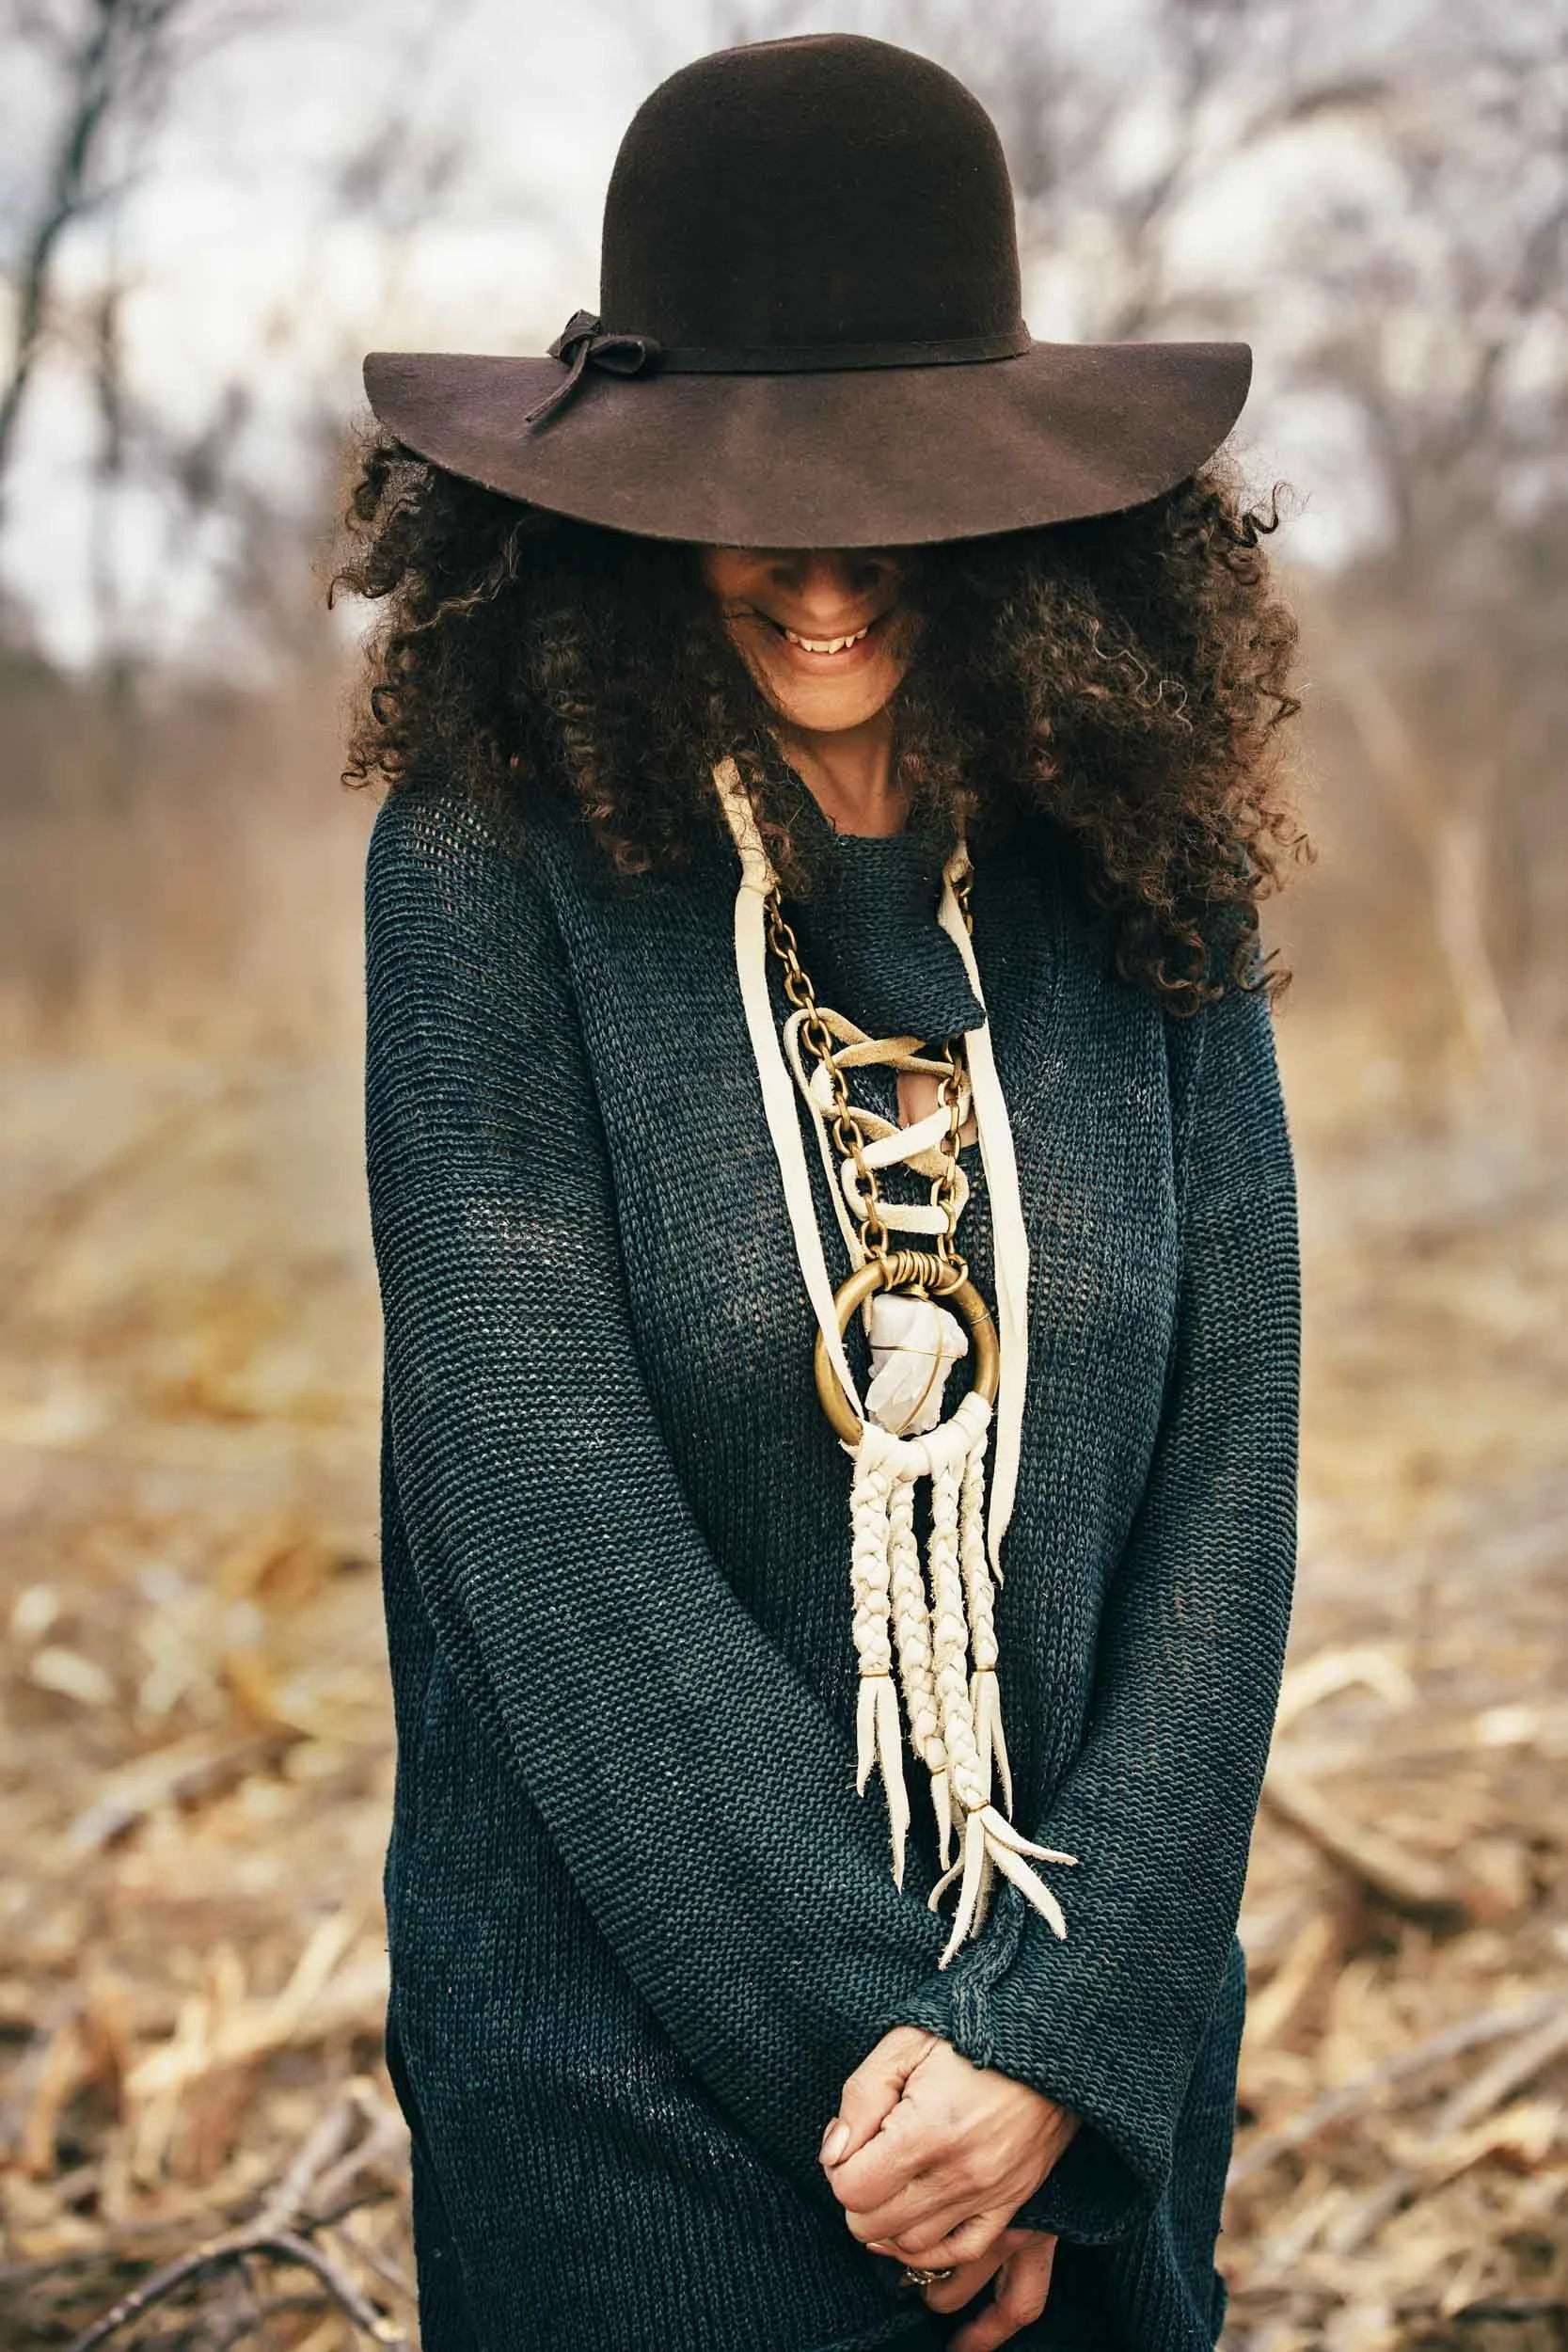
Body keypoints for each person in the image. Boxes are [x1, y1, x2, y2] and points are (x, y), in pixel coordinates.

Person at [334, 31, 1306, 2352]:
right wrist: (894, 2092)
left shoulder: (1133, 866)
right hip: (628, 2101)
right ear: (616, 508)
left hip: (1085, 2087)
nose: (829, 569)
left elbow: (1226, 1481)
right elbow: (544, 1515)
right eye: (756, 491)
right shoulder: (486, 873)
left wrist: (1054, 2062)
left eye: (897, 486)